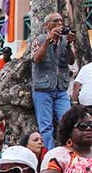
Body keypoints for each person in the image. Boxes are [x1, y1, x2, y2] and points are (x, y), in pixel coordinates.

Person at [32, 12, 75, 150]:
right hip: (43, 89)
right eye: (55, 21)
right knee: (46, 126)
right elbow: (36, 59)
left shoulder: (64, 41)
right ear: (47, 25)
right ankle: (50, 156)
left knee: (68, 122)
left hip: (61, 88)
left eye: (61, 21)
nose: (60, 24)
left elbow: (71, 60)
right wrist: (48, 41)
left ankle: (68, 152)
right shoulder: (39, 40)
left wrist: (69, 44)